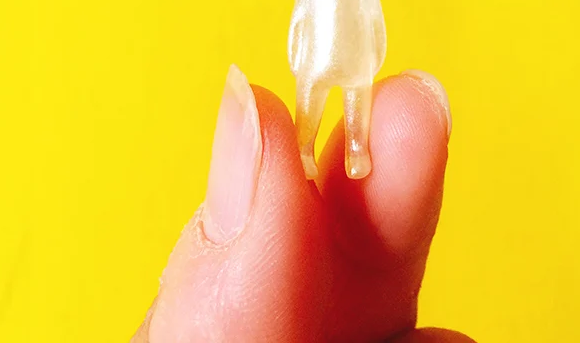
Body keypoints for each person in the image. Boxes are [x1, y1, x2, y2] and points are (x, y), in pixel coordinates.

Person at [132, 66, 474, 343]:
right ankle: (305, 148)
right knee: (311, 104)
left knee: (356, 105)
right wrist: (301, 57)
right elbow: (303, 24)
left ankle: (355, 151)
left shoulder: (360, 2)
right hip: (319, 64)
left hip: (353, 67)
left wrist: (368, 58)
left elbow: (372, 31)